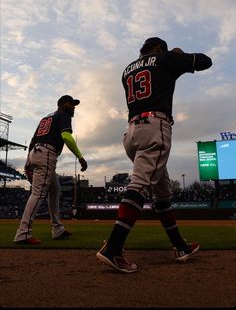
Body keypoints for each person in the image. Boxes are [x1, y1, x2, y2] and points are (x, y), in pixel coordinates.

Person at [96, 37, 212, 273]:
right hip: (155, 128)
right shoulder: (165, 58)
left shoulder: (127, 70)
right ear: (159, 48)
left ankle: (180, 246)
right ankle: (114, 248)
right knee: (140, 185)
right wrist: (179, 55)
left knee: (162, 194)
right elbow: (205, 62)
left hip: (131, 134)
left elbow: (151, 75)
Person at [14, 95, 88, 244]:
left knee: (55, 190)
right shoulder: (64, 114)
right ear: (62, 104)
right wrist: (80, 157)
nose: (73, 107)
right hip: (46, 154)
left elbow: (33, 140)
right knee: (38, 193)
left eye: (74, 104)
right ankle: (23, 233)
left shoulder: (46, 118)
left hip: (36, 152)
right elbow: (66, 136)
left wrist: (29, 160)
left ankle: (58, 229)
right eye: (70, 104)